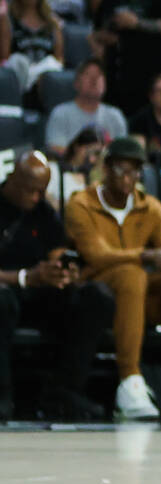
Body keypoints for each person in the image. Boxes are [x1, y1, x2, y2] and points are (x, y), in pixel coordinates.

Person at [64, 136, 161, 422]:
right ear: (106, 169)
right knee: (131, 275)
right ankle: (130, 381)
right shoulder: (81, 204)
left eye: (135, 171)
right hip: (100, 299)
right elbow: (97, 256)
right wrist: (148, 256)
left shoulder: (151, 208)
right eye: (122, 170)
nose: (129, 178)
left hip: (143, 299)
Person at [0, 151, 114, 421]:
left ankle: (63, 391)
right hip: (8, 292)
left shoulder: (43, 212)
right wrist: (25, 277)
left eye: (42, 191)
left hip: (39, 292)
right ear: (13, 179)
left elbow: (57, 251)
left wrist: (64, 272)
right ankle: (2, 396)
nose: (37, 197)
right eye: (31, 190)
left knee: (97, 297)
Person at [44, 59, 127, 155]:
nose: (94, 79)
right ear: (76, 83)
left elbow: (123, 153)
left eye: (99, 75)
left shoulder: (115, 116)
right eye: (88, 74)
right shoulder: (60, 113)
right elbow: (55, 150)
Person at [0, 0, 64, 96]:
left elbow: (59, 58)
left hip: (43, 72)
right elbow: (4, 56)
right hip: (19, 72)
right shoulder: (9, 20)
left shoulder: (52, 23)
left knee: (52, 64)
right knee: (18, 61)